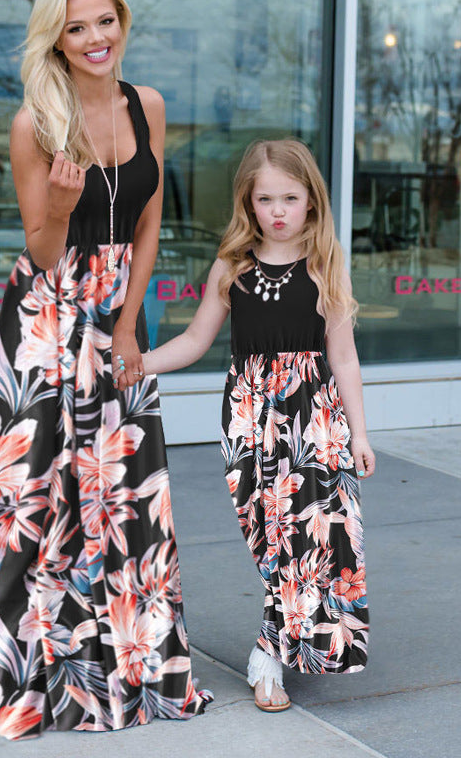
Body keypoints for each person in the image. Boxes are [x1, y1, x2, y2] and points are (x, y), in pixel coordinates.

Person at [0, 0, 209, 740]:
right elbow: (40, 246)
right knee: (40, 495)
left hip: (116, 315)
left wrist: (131, 325)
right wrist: (62, 205)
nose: (96, 38)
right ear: (55, 40)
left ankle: (130, 661)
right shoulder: (35, 121)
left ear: (122, 24)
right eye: (77, 27)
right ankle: (32, 673)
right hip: (46, 318)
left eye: (105, 22)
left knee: (125, 488)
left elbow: (150, 223)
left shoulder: (147, 105)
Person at [134, 139, 374, 713]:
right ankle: (280, 645)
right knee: (272, 541)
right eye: (266, 198)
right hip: (250, 418)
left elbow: (343, 358)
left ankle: (267, 657)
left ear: (311, 202)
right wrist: (137, 364)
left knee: (315, 538)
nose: (279, 211)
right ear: (249, 202)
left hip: (316, 420)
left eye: (291, 197)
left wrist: (360, 433)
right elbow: (195, 341)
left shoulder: (324, 265)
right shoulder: (233, 266)